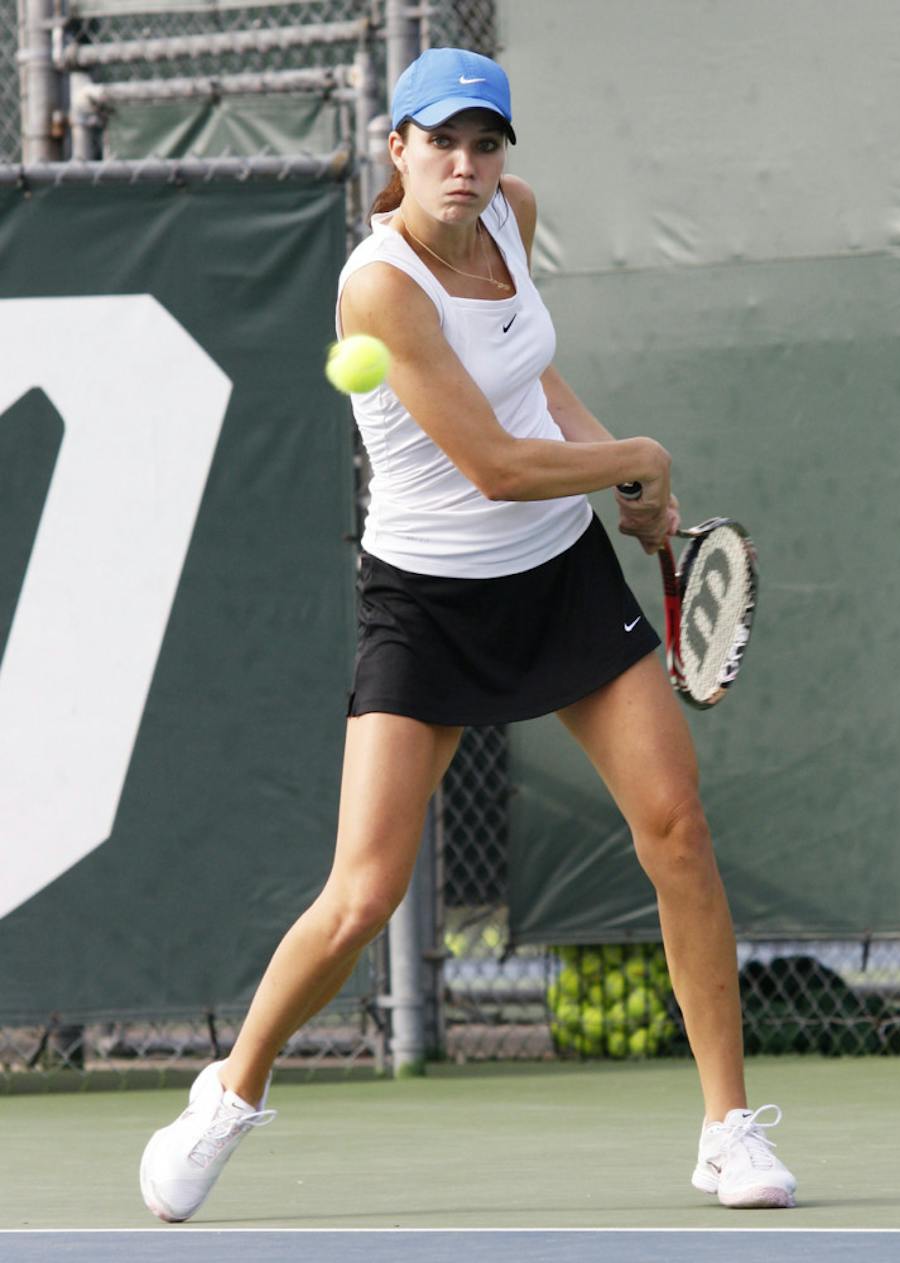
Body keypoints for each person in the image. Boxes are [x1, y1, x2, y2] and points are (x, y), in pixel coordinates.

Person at [139, 46, 797, 1222]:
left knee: (677, 829)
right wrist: (635, 459)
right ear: (396, 151)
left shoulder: (513, 219)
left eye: (484, 143)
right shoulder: (378, 287)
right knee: (362, 893)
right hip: (428, 601)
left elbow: (532, 391)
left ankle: (726, 1128)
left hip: (557, 577)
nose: (465, 163)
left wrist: (628, 497)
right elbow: (493, 467)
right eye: (439, 142)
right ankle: (228, 1093)